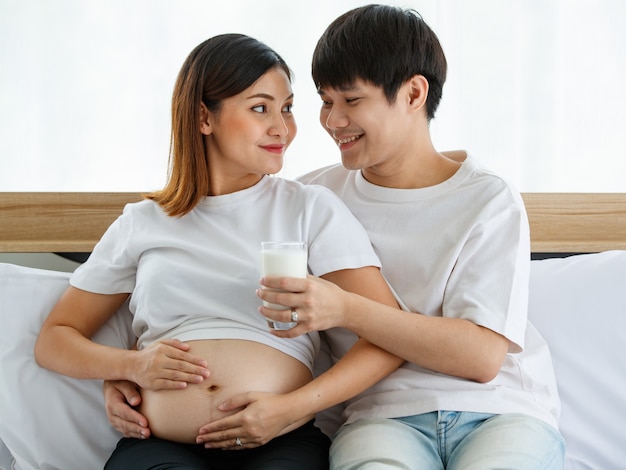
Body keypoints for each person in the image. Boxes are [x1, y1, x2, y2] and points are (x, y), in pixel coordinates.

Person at [105, 6, 566, 469]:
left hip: (498, 409)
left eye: (351, 100)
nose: (332, 120)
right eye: (325, 101)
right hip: (382, 418)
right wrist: (125, 374)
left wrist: (346, 309)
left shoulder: (487, 199)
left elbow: (483, 357)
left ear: (413, 93)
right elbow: (195, 279)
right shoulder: (311, 196)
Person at [34, 33, 403, 470]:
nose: (281, 128)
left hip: (280, 439)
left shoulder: (309, 207)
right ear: (203, 117)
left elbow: (388, 336)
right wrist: (130, 366)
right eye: (260, 108)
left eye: (286, 108)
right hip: (159, 446)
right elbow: (55, 339)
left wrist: (292, 408)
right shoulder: (143, 222)